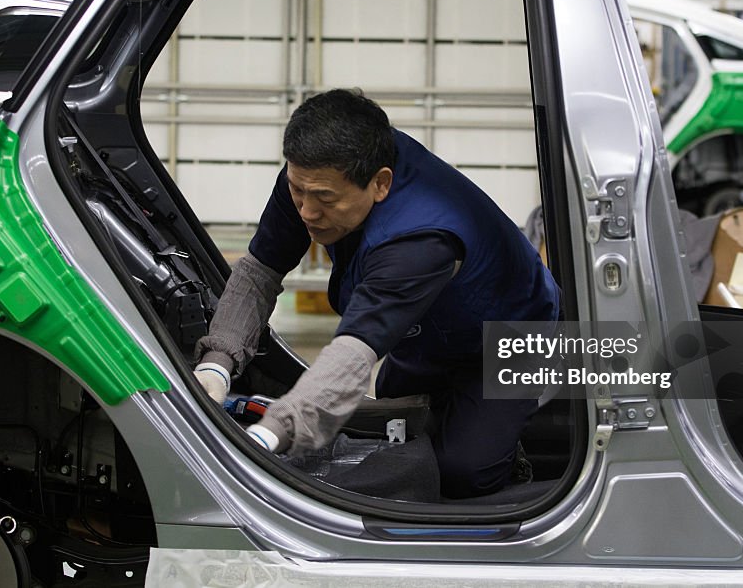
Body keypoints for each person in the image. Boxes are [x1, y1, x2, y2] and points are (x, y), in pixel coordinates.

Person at [193, 89, 560, 498]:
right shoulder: (317, 176)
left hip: (511, 330)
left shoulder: (420, 240)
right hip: (424, 328)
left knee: (464, 473)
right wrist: (217, 363)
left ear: (380, 183)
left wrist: (268, 436)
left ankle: (514, 465)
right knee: (402, 445)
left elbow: (353, 354)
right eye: (298, 192)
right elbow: (260, 272)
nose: (307, 212)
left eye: (325, 200)